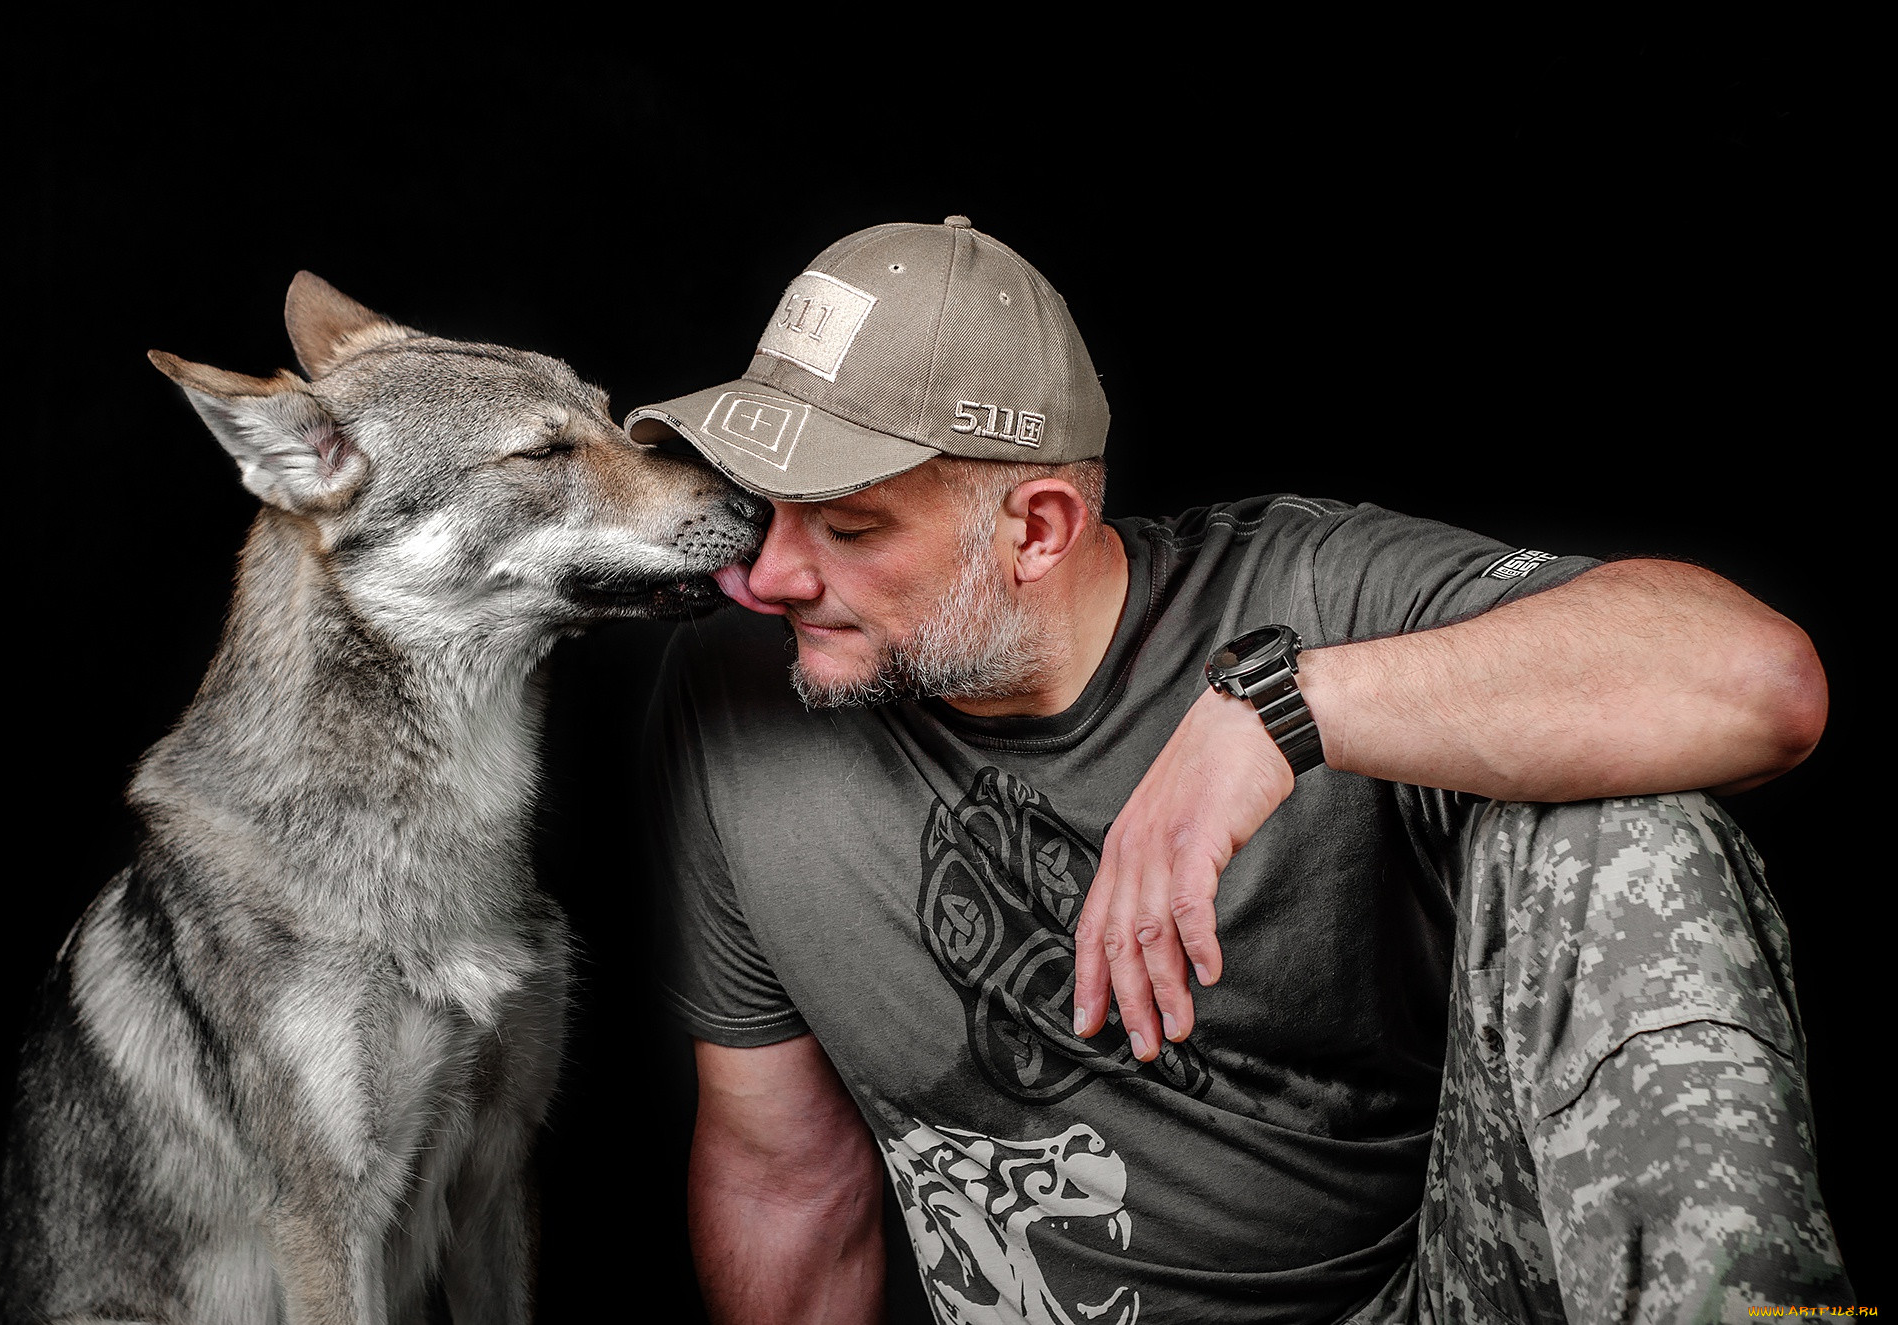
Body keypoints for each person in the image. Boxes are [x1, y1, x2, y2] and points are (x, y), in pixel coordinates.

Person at [628, 216, 1851, 1322]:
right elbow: (781, 1174)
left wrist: (1276, 711)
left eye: (846, 528)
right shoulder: (739, 698)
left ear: (1036, 528)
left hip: (1424, 1302)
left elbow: (1755, 682)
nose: (767, 577)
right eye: (765, 504)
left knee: (1615, 820)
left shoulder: (1312, 590)